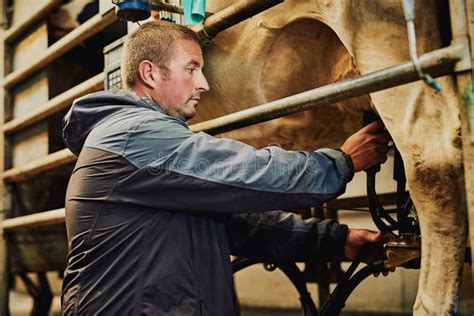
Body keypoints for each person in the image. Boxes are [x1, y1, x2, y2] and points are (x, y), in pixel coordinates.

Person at [61, 21, 391, 315]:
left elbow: (238, 227)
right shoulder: (136, 134)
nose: (203, 83)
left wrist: (336, 241)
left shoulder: (139, 145)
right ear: (150, 73)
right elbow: (245, 172)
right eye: (191, 69)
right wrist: (341, 162)